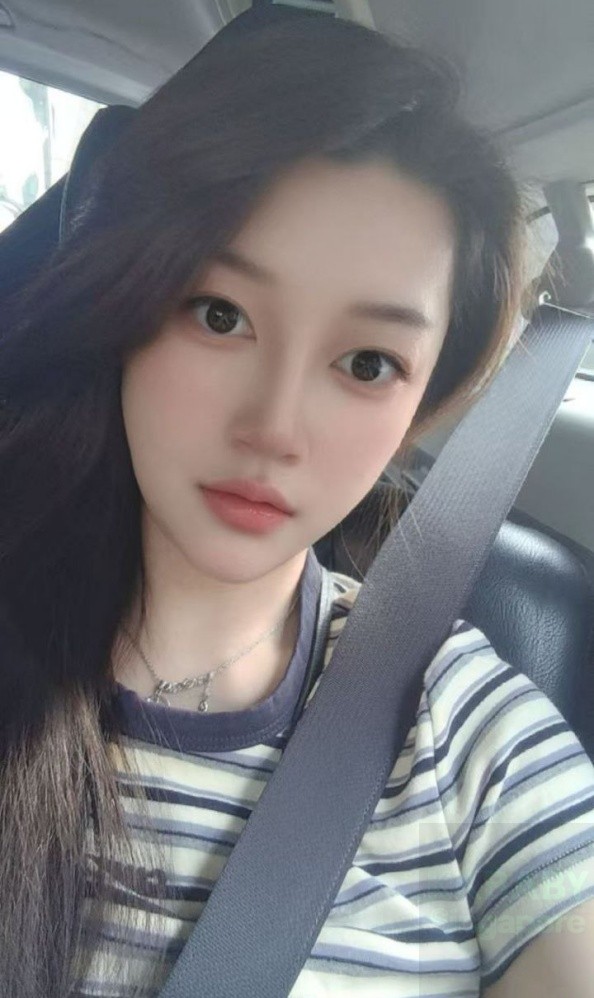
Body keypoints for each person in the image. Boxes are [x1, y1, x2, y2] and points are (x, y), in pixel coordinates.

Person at [1, 14, 593, 998]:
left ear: (420, 401)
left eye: (367, 364)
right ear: (127, 305)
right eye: (219, 314)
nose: (273, 428)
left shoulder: (471, 734)